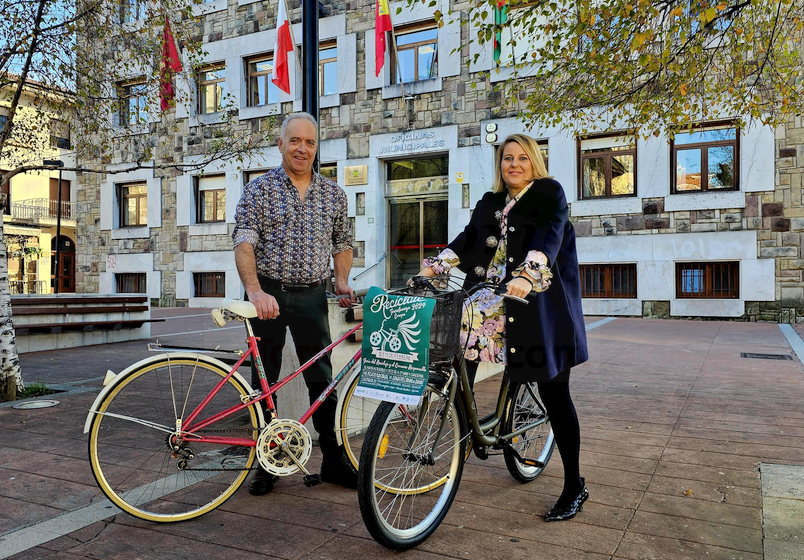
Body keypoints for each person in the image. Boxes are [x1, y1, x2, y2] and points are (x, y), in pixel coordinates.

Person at [413, 133, 589, 521]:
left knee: (555, 395)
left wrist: (527, 274)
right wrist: (436, 266)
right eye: (507, 158)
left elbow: (550, 235)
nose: (513, 164)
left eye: (522, 158)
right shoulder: (491, 202)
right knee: (455, 338)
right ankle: (469, 422)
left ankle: (574, 484)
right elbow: (468, 239)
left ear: (534, 163)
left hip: (539, 306)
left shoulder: (548, 193)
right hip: (489, 299)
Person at [232, 112, 357, 495]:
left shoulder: (334, 193)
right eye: (295, 141)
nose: (302, 148)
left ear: (316, 147)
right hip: (267, 294)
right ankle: (268, 461)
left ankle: (334, 459)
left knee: (321, 378)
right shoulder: (258, 190)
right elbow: (243, 240)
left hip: (311, 295)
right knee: (263, 382)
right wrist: (254, 291)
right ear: (281, 143)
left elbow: (342, 242)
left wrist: (341, 280)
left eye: (310, 142)